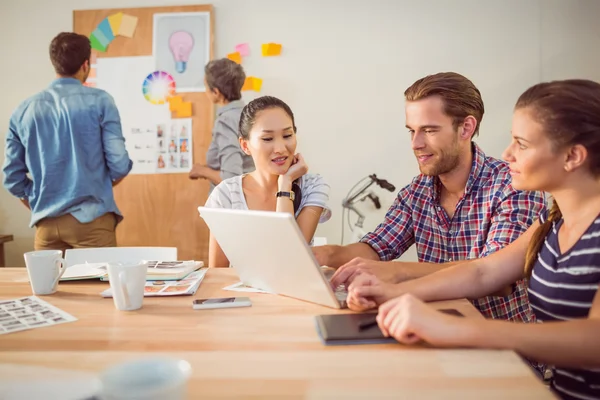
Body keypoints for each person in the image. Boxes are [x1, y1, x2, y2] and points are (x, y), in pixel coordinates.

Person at [347, 79, 600, 400]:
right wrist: (393, 293)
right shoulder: (552, 221)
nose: (508, 153)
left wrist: (454, 328)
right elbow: (483, 271)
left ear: (573, 156)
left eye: (522, 144)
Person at [319, 72, 546, 323]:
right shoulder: (417, 192)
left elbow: (497, 279)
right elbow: (377, 247)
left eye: (428, 130)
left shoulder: (512, 186)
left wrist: (397, 273)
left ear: (466, 128)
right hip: (436, 333)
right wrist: (327, 254)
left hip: (503, 350)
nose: (415, 143)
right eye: (412, 131)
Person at [2, 32, 132, 252]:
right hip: (93, 221)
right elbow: (119, 164)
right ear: (85, 65)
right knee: (98, 287)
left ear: (55, 64)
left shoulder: (23, 110)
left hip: (46, 224)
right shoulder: (101, 101)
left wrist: (38, 200)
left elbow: (12, 178)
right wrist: (96, 185)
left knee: (49, 287)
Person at [204, 96, 332, 268]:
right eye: (267, 139)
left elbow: (290, 256)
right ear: (245, 145)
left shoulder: (312, 186)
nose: (280, 149)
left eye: (287, 135)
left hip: (295, 293)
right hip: (243, 295)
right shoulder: (225, 195)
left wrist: (285, 183)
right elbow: (218, 274)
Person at [189, 58, 254, 189]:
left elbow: (231, 179)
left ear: (216, 92)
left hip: (232, 204)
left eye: (206, 86)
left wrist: (201, 171)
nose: (205, 91)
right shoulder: (251, 113)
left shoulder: (226, 122)